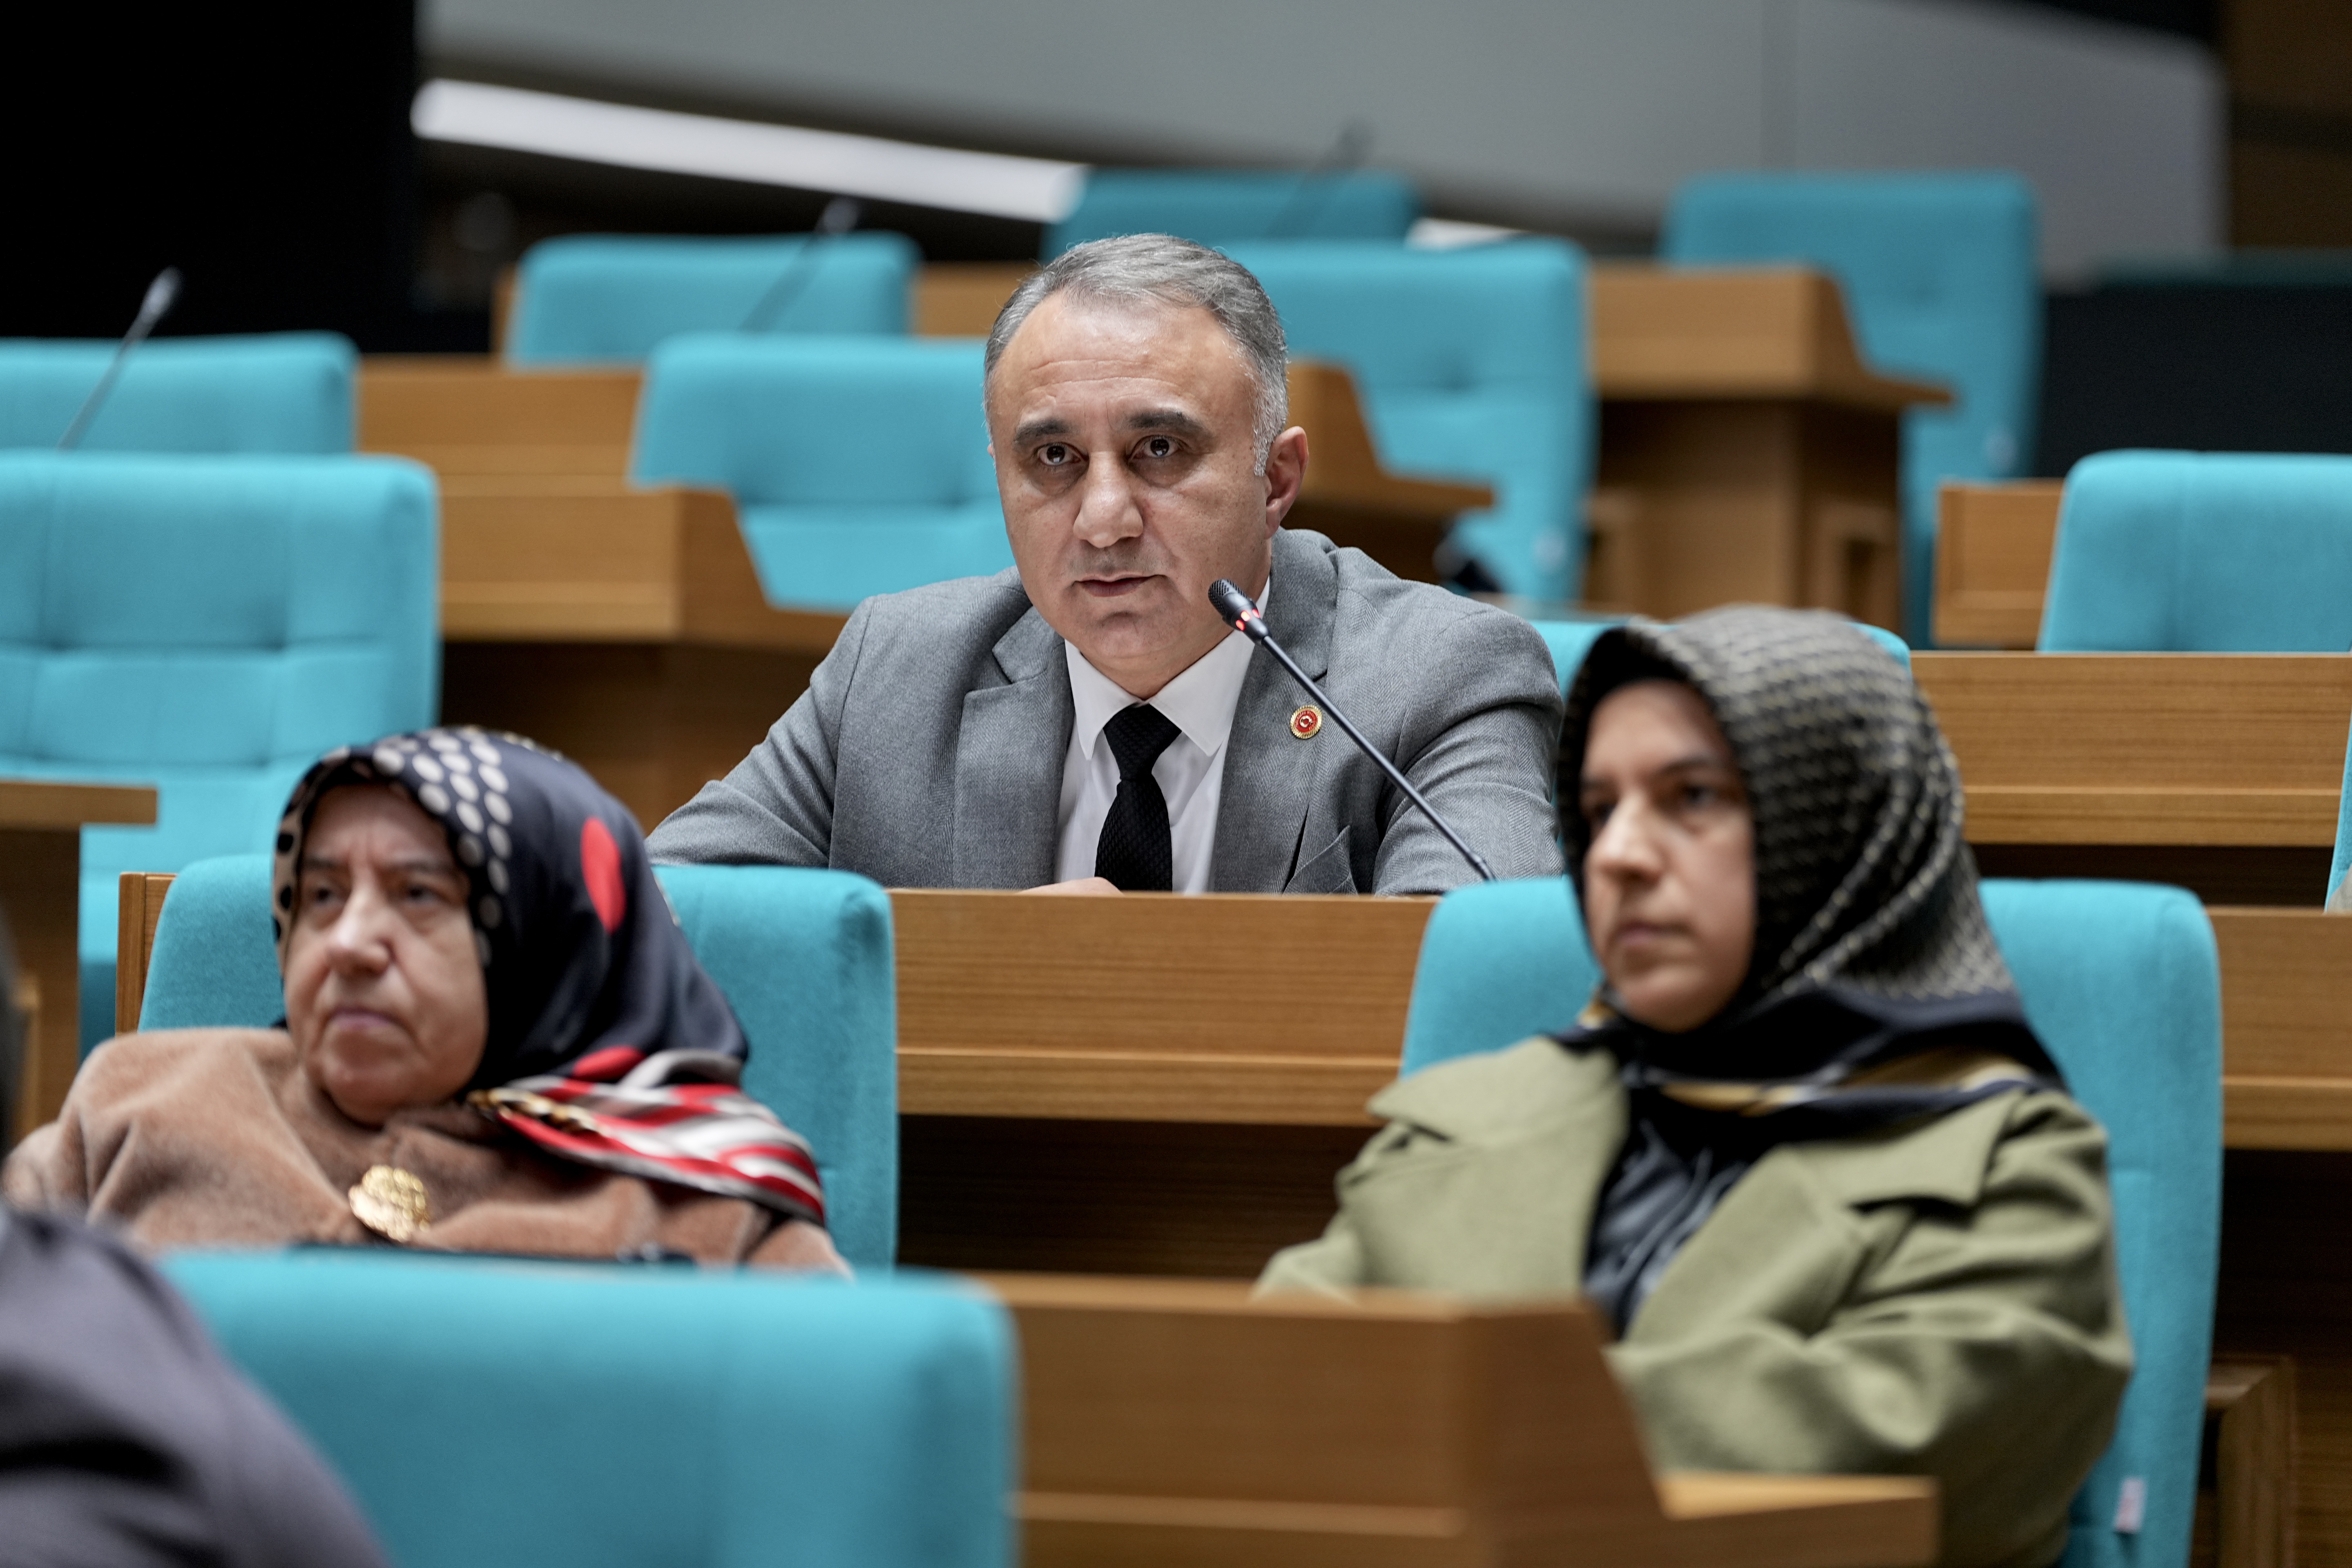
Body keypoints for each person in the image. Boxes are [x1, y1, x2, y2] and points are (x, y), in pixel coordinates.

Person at [1257, 607, 2130, 1568]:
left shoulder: (2007, 1173)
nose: (1618, 856)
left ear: (1838, 822)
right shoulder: (1477, 1114)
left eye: (1692, 798)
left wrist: (1425, 1413)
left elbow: (1847, 1463)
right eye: (1597, 812)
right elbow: (1276, 1383)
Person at [646, 233, 1563, 895]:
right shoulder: (897, 669)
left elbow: (1475, 989)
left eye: (1159, 451)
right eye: (1052, 460)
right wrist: (977, 975)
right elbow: (665, 913)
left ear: (1275, 478)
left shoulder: (1443, 678)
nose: (1102, 521)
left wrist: (1107, 980)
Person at [6, 728, 844, 1271]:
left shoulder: (712, 1218)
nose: (348, 944)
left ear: (555, 945)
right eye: (322, 897)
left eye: (418, 897)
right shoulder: (132, 1103)